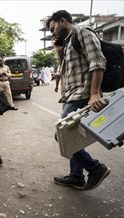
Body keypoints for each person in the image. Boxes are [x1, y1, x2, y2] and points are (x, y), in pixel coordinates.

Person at [46, 10, 110, 190]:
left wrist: (95, 93)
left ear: (63, 21)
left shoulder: (83, 32)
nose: (52, 34)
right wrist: (60, 52)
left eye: (53, 29)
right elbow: (65, 73)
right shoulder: (67, 43)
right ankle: (76, 176)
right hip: (72, 97)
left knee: (62, 136)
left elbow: (97, 61)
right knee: (73, 138)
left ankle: (95, 168)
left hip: (82, 96)